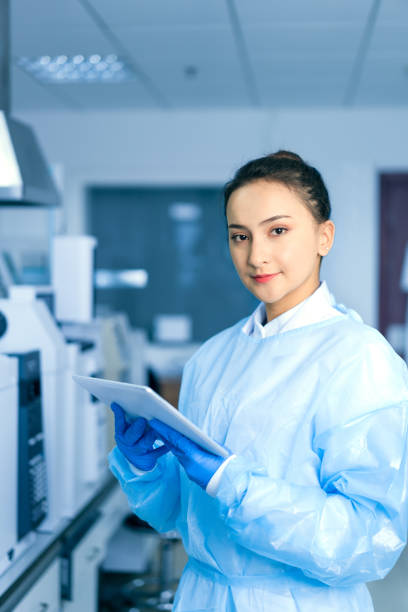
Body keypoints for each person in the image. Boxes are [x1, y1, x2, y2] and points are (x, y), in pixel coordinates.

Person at [109, 151, 408, 611]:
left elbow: (367, 541)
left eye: (278, 231)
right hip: (201, 596)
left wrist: (238, 488)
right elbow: (177, 515)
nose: (256, 255)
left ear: (324, 236)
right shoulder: (211, 357)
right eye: (239, 236)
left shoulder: (360, 359)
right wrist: (146, 468)